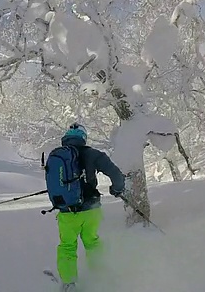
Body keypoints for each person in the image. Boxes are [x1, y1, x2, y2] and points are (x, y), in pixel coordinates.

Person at [51, 123, 125, 292]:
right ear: (83, 138)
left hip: (67, 212)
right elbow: (116, 174)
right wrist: (116, 189)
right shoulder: (93, 154)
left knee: (67, 246)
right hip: (91, 209)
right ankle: (99, 276)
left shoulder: (57, 156)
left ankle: (69, 284)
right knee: (92, 242)